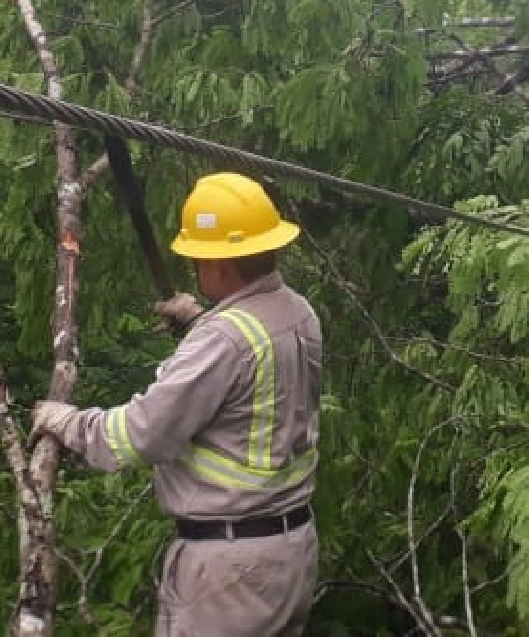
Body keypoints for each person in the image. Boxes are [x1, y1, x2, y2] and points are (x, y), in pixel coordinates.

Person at [30, 172, 323, 636]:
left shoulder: (224, 341)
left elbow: (139, 436)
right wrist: (200, 322)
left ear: (220, 266)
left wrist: (65, 422)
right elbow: (250, 381)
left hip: (230, 572)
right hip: (289, 553)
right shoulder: (298, 313)